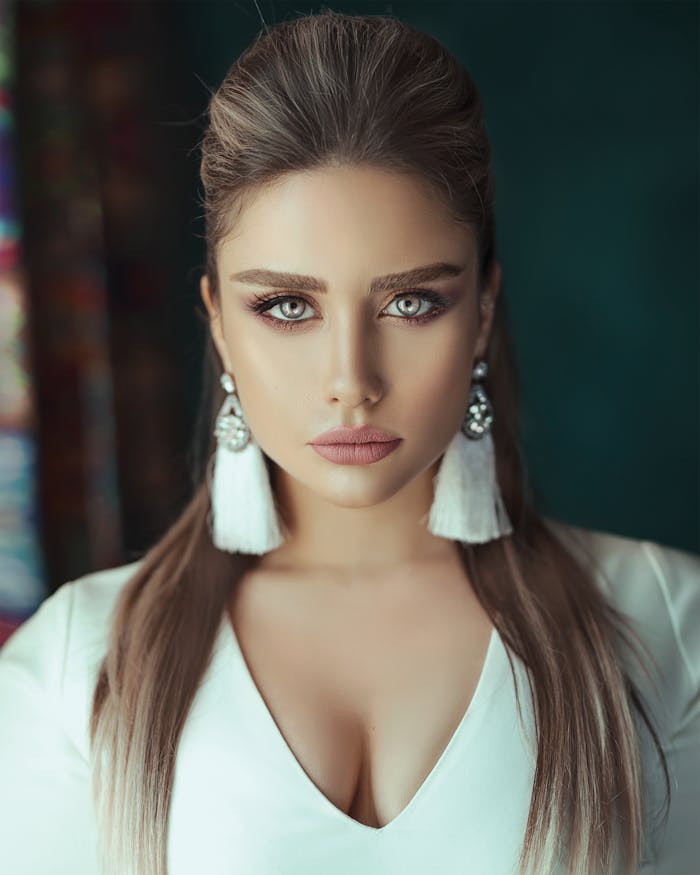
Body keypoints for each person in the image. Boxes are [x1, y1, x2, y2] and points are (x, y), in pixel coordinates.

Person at [0, 9, 698, 875]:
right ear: (218, 321)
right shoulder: (74, 668)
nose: (351, 379)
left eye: (411, 303)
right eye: (288, 306)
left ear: (481, 310)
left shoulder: (666, 624)